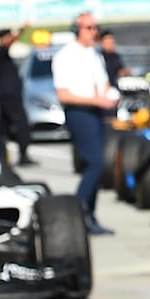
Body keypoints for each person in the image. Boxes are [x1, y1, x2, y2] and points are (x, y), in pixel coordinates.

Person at [51, 13, 117, 235]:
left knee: (97, 167)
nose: (94, 32)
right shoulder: (65, 56)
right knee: (95, 162)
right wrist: (96, 100)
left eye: (95, 27)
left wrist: (111, 95)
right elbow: (64, 94)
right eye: (89, 27)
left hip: (97, 112)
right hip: (79, 112)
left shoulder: (94, 54)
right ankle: (75, 212)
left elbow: (103, 84)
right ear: (77, 29)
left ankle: (89, 215)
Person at [0, 26, 35, 167]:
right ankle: (23, 156)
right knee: (21, 124)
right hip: (9, 96)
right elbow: (9, 42)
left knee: (2, 129)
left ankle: (1, 157)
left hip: (8, 95)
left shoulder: (3, 54)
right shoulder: (1, 51)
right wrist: (21, 30)